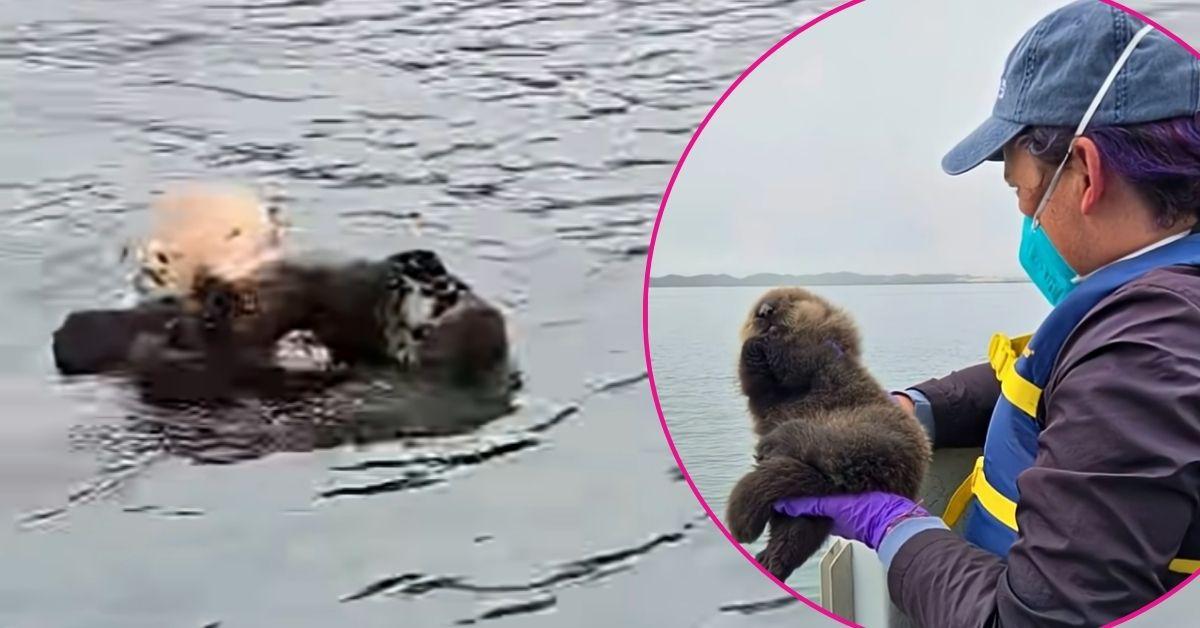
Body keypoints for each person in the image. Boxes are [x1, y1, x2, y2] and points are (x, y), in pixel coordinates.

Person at [771, 2, 1200, 626]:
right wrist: (911, 410)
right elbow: (1049, 378)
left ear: (1086, 171)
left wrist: (886, 522)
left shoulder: (1153, 344)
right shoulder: (1152, 308)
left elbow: (1033, 619)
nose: (1026, 214)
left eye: (1021, 187)